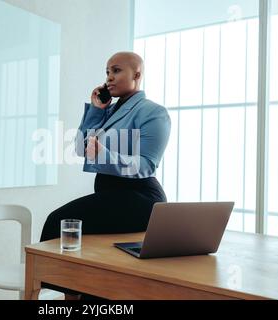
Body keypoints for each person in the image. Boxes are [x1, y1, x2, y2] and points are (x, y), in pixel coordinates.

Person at [39, 52, 171, 299]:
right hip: (111, 195)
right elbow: (80, 149)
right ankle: (79, 293)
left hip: (139, 196)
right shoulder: (108, 111)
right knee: (86, 245)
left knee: (59, 221)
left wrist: (106, 154)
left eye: (117, 71)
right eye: (107, 72)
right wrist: (97, 111)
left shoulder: (154, 112)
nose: (109, 77)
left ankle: (65, 295)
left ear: (137, 75)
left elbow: (147, 164)